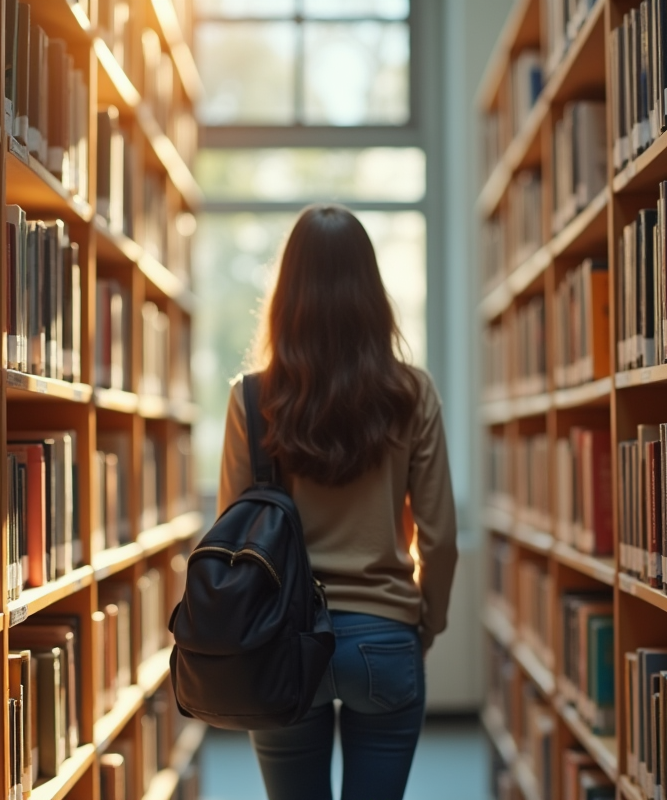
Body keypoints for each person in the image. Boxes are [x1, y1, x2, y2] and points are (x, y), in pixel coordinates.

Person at [217, 204, 458, 800]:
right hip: (384, 637)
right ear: (369, 293)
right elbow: (439, 537)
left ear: (286, 294)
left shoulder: (252, 400)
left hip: (281, 639)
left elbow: (234, 536)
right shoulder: (411, 393)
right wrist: (426, 622)